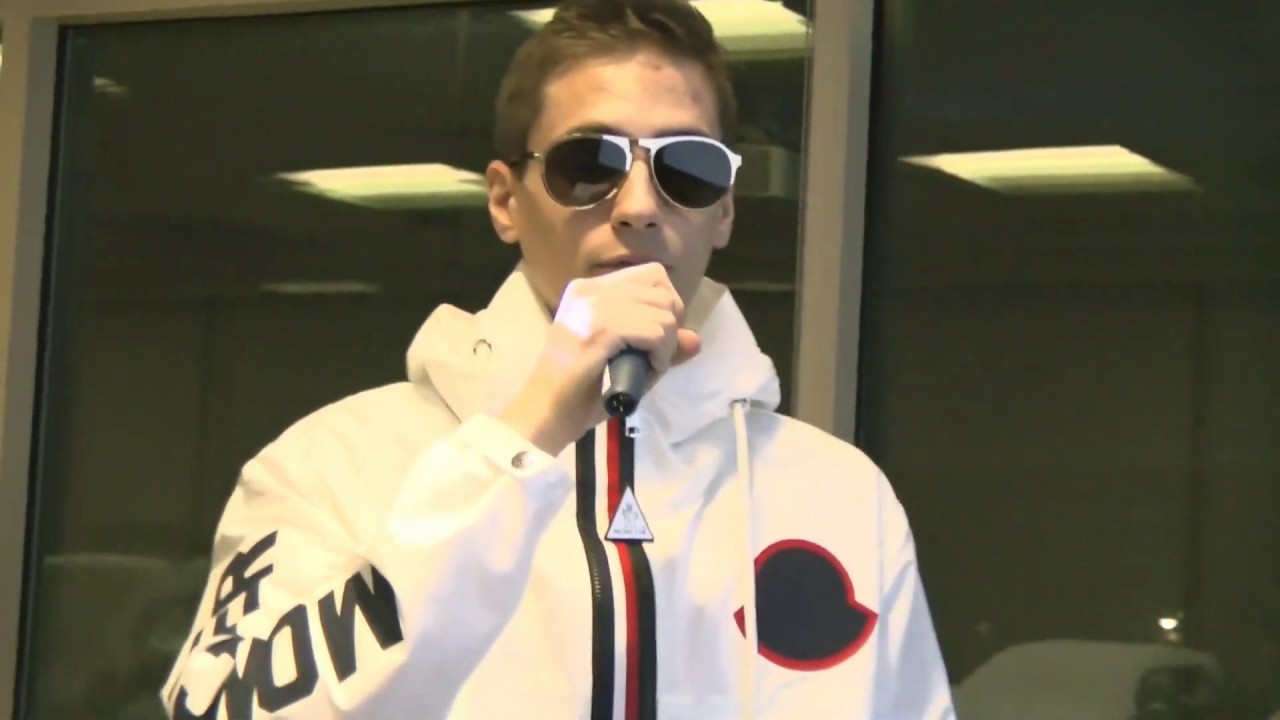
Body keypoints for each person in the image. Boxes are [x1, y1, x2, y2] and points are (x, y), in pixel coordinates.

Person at [160, 0, 956, 717]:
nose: (639, 207)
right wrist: (525, 437)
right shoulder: (334, 468)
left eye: (686, 169)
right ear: (505, 200)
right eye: (589, 165)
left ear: (723, 212)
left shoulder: (837, 495)